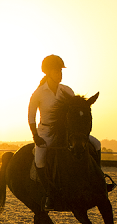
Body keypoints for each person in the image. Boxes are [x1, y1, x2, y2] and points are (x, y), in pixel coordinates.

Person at [27, 55, 101, 195]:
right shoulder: (38, 94)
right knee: (39, 159)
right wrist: (35, 136)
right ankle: (48, 193)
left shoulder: (67, 90)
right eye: (57, 71)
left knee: (96, 144)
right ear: (48, 72)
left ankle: (99, 179)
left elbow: (76, 111)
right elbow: (31, 116)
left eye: (61, 71)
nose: (60, 75)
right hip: (46, 132)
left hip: (67, 131)